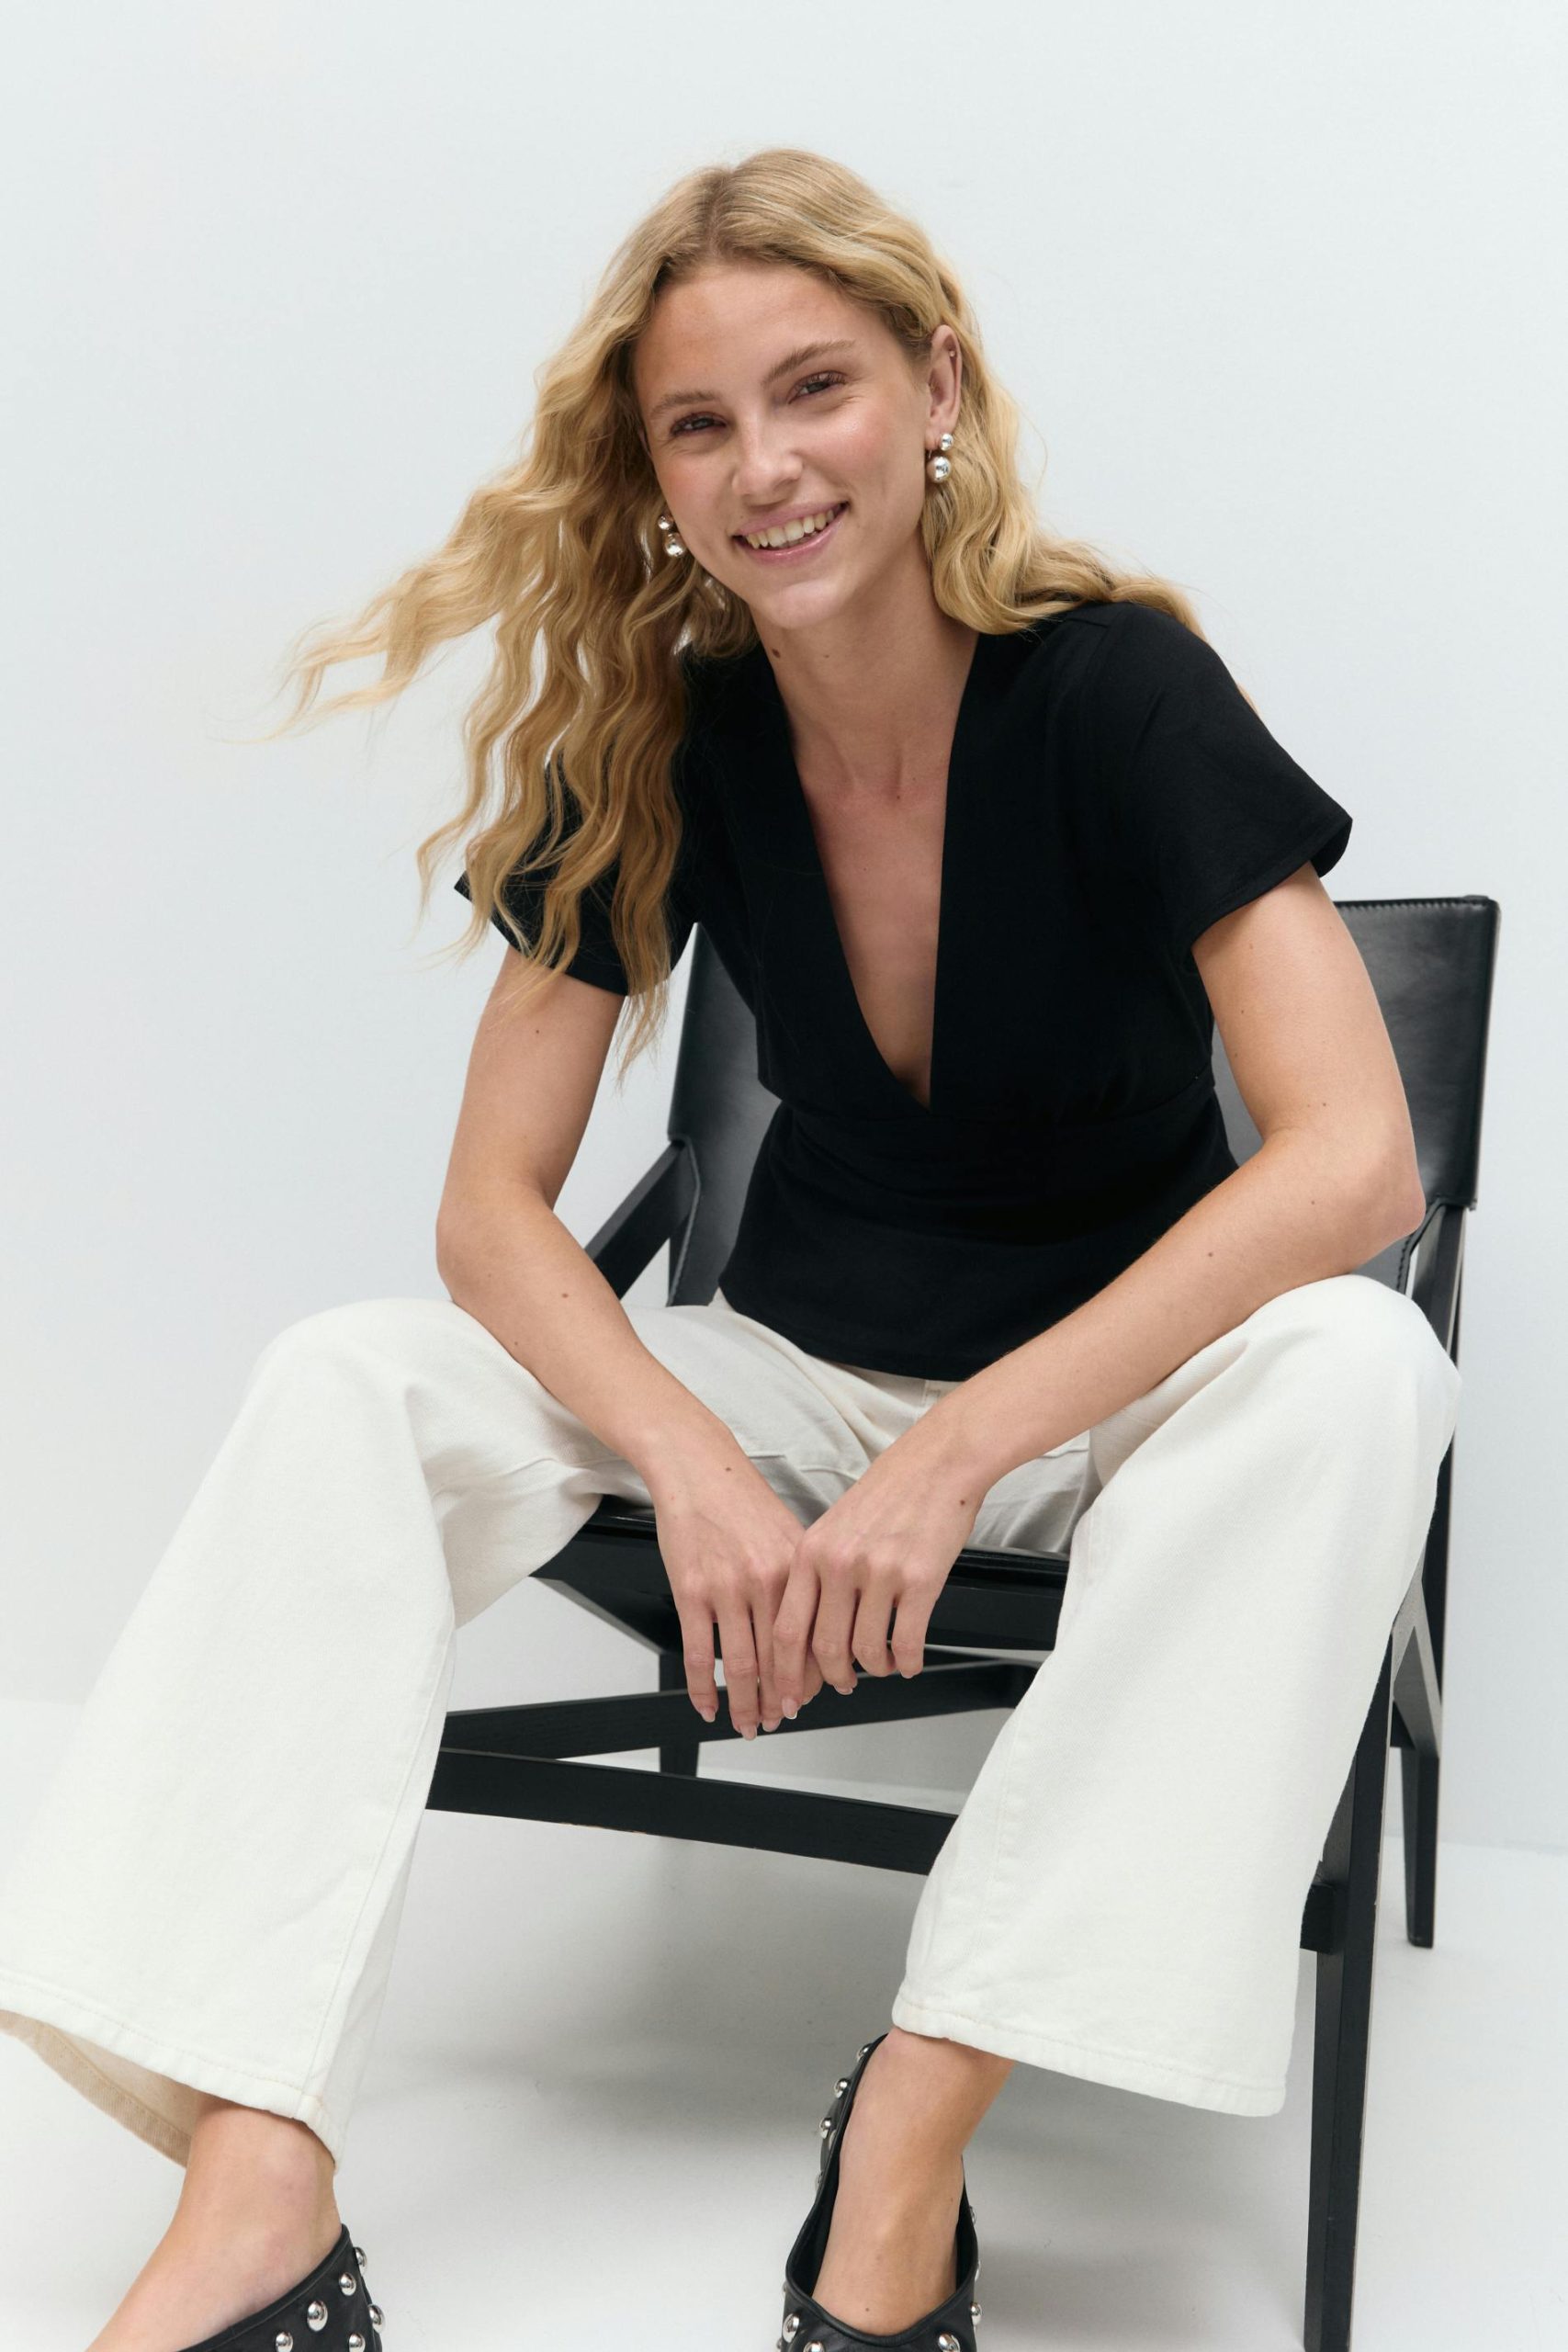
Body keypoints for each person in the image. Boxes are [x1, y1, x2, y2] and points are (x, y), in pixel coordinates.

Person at [0, 146, 1461, 2351]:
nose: (764, 465)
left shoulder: (1115, 691)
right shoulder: (667, 730)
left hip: (1113, 1397)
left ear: (934, 389)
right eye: (699, 423)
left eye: (814, 389)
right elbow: (488, 1206)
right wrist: (687, 1454)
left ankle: (908, 2125)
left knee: (1362, 1365)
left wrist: (961, 1449)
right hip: (792, 1369)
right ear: (654, 473)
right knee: (345, 1379)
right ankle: (256, 2184)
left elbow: (1352, 1162)